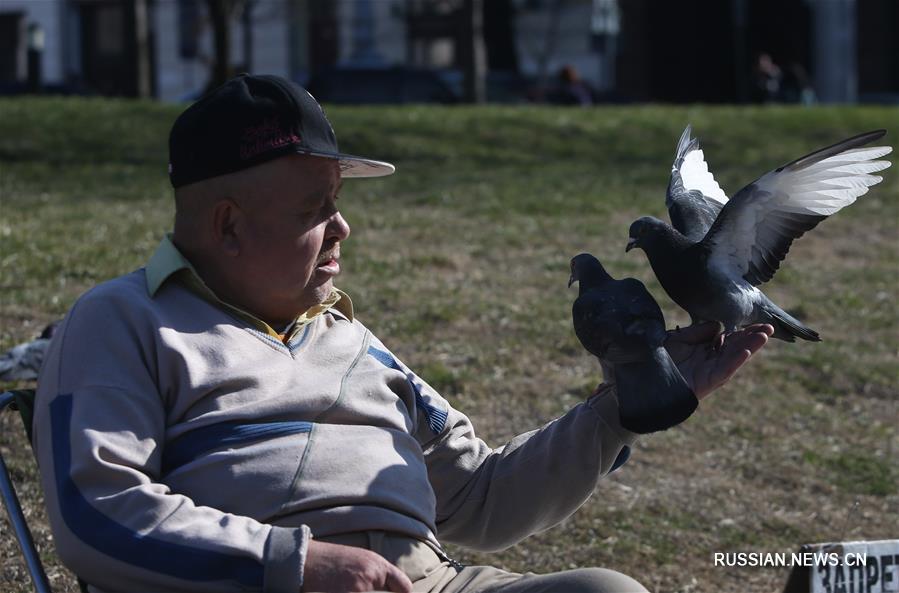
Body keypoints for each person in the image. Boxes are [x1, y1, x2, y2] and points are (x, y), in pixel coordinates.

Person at [32, 74, 771, 593]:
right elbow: (98, 513)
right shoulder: (122, 320)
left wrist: (623, 405)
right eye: (315, 209)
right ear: (227, 225)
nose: (343, 227)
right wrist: (296, 566)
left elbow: (482, 498)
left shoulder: (354, 341)